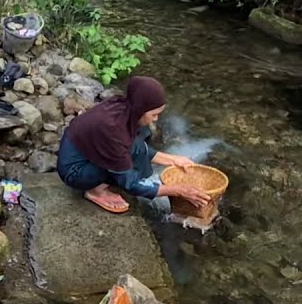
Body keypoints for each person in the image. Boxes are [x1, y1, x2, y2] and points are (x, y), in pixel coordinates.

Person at [57, 76, 212, 214]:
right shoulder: (113, 131)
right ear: (140, 110)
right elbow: (130, 183)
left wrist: (173, 160)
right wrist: (178, 191)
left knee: (138, 144)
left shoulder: (123, 108)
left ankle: (106, 181)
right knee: (130, 172)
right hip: (74, 171)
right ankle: (95, 192)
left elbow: (133, 144)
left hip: (87, 150)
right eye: (154, 114)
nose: (156, 119)